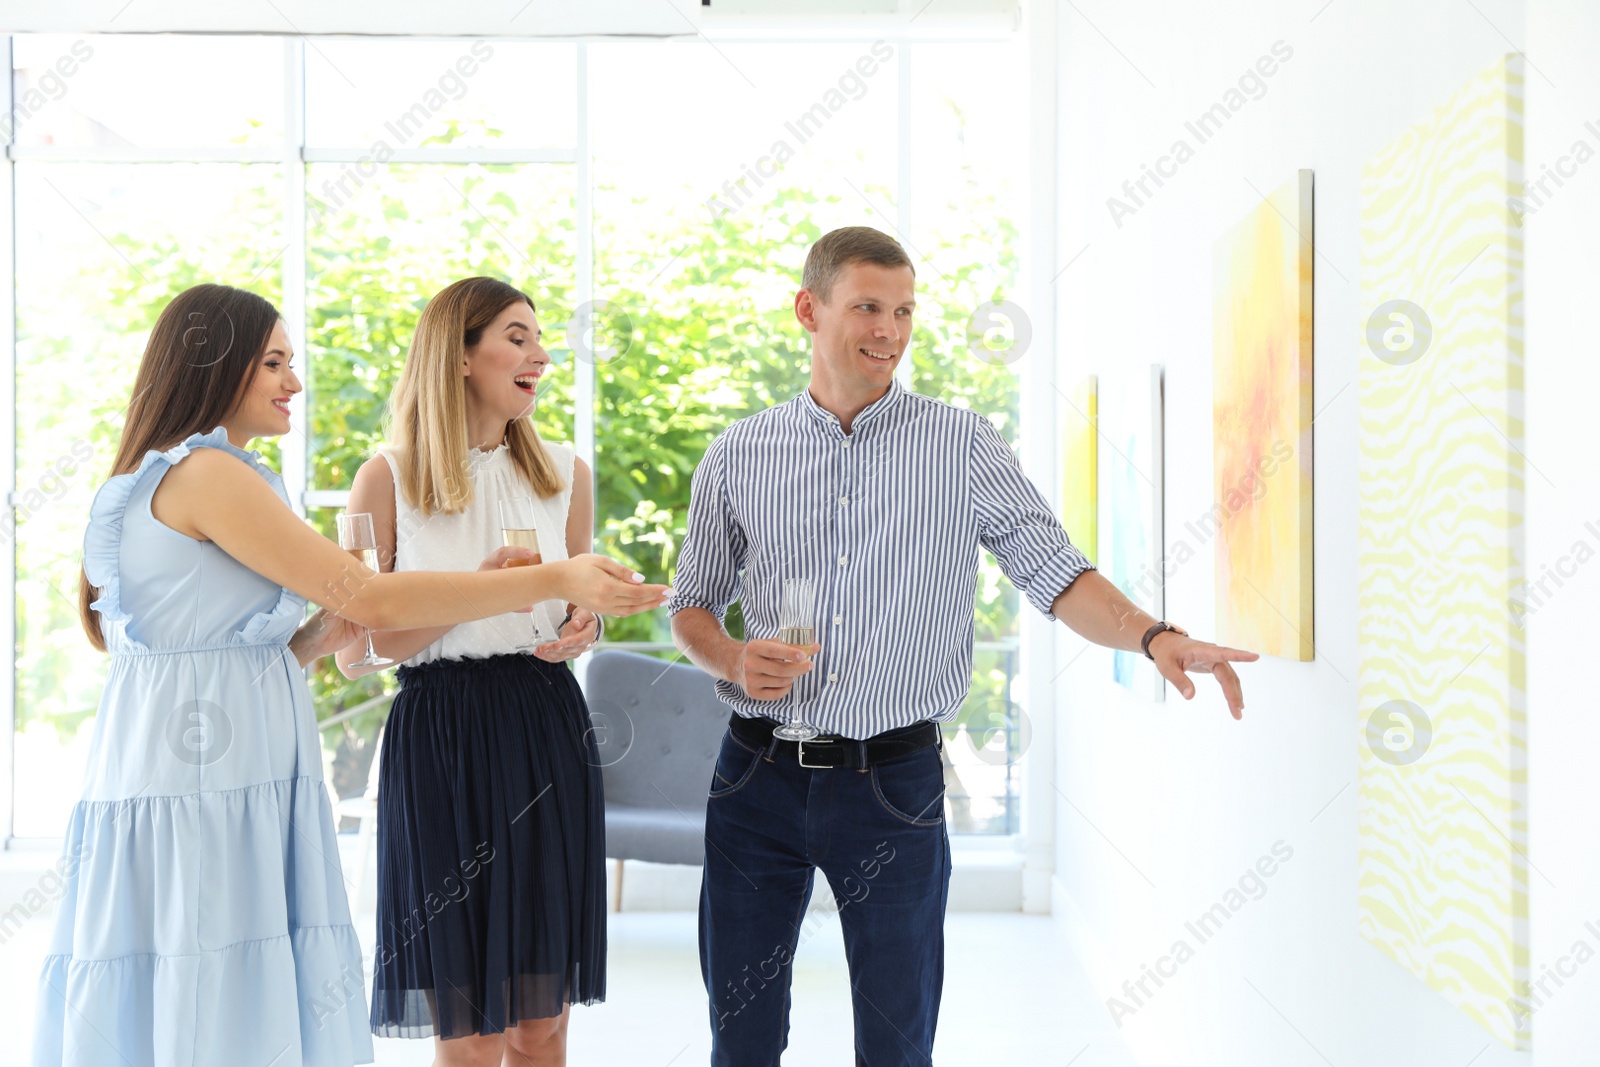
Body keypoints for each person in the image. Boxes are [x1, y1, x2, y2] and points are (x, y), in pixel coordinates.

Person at [32, 283, 667, 1067]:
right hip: (213, 777)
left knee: (188, 986)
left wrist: (319, 635)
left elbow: (249, 643)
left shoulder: (182, 474)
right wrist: (548, 580)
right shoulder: (212, 474)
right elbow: (366, 593)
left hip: (201, 765)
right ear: (212, 363)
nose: (294, 381)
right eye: (273, 362)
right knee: (214, 980)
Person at [669, 226, 1259, 1066]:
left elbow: (1057, 572)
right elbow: (690, 606)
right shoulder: (737, 452)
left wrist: (1153, 634)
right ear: (809, 309)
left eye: (904, 310)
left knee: (898, 1040)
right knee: (742, 1034)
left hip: (891, 787)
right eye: (868, 306)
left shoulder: (963, 445)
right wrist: (728, 656)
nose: (890, 330)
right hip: (755, 778)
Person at [338, 276, 610, 1067]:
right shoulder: (385, 478)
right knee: (469, 1021)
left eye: (539, 338)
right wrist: (484, 587)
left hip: (544, 722)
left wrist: (580, 623)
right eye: (518, 337)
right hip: (443, 732)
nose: (541, 354)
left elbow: (568, 609)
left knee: (541, 1021)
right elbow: (364, 646)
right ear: (460, 356)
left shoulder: (565, 472)